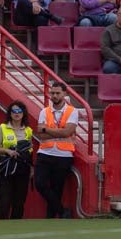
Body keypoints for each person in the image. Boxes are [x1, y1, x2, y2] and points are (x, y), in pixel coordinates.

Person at [33, 82, 81, 219]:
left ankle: (51, 217)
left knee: (57, 188)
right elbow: (40, 134)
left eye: (57, 93)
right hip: (45, 152)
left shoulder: (72, 111)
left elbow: (67, 132)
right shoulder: (45, 111)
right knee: (40, 183)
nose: (54, 96)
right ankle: (62, 211)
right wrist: (58, 131)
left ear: (65, 94)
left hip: (64, 155)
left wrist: (47, 129)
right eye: (52, 93)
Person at [0, 101, 33, 220]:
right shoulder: (3, 127)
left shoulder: (28, 130)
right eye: (14, 111)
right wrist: (8, 151)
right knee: (4, 200)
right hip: (6, 168)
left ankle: (16, 227)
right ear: (10, 113)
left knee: (19, 201)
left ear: (23, 113)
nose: (17, 114)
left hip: (22, 168)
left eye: (19, 111)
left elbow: (30, 151)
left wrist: (31, 168)